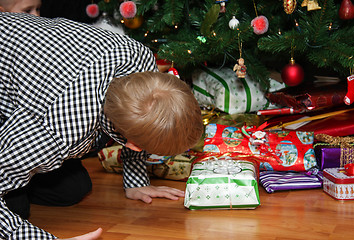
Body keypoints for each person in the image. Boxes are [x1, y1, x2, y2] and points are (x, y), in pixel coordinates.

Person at [0, 12, 203, 240]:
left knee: (73, 190)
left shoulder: (142, 61)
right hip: (12, 73)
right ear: (134, 145)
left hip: (35, 69)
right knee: (16, 213)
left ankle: (18, 173)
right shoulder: (56, 130)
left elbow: (142, 117)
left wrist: (135, 182)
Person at [0, 0, 96, 222]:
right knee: (17, 212)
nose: (36, 17)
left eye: (38, 9)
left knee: (75, 188)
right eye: (27, 11)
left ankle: (22, 183)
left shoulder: (43, 47)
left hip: (28, 142)